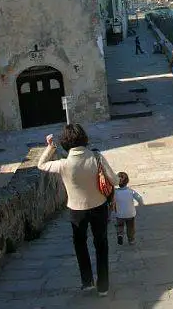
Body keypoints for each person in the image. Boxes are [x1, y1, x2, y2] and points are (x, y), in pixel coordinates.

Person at [38, 124, 116, 297]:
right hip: (99, 206)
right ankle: (103, 286)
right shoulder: (97, 157)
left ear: (65, 143)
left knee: (80, 244)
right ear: (84, 138)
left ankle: (87, 281)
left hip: (76, 210)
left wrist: (50, 147)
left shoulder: (64, 164)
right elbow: (115, 180)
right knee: (101, 244)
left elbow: (41, 164)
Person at [113, 172, 144, 246]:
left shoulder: (115, 192)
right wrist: (141, 204)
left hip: (119, 214)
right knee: (130, 227)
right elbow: (139, 198)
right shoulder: (131, 191)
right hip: (130, 213)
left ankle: (120, 235)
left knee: (120, 226)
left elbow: (112, 201)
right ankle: (131, 240)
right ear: (127, 181)